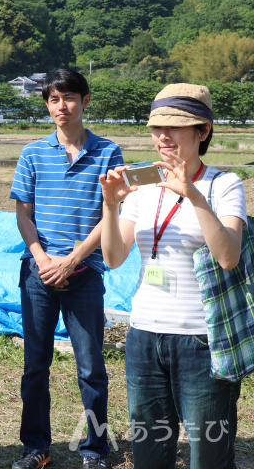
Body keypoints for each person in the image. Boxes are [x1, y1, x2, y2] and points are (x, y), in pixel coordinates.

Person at [99, 84, 245, 469]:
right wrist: (111, 206)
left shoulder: (223, 185)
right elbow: (113, 258)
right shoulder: (143, 188)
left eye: (176, 127)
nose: (163, 136)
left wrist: (193, 195)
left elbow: (228, 256)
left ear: (203, 131)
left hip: (201, 339)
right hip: (144, 335)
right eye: (156, 127)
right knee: (149, 451)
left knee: (208, 455)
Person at [9, 69, 123, 469]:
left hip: (85, 272)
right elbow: (24, 214)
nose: (62, 106)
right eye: (54, 100)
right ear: (47, 105)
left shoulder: (109, 153)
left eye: (70, 98)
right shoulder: (33, 153)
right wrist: (42, 259)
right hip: (39, 274)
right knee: (35, 366)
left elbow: (111, 214)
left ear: (85, 101)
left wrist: (73, 259)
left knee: (91, 366)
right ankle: (35, 448)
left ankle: (95, 450)